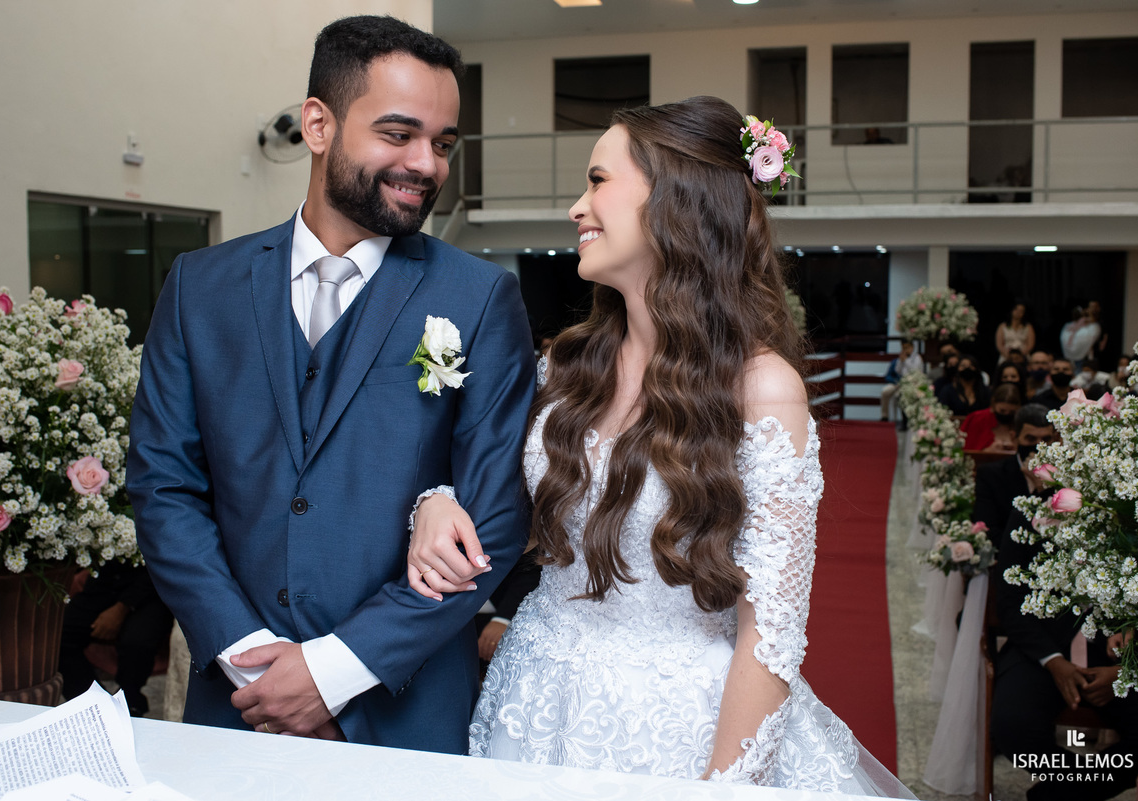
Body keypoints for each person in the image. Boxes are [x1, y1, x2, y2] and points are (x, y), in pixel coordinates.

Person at [406, 97, 913, 795]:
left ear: (675, 199)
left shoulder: (762, 389)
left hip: (683, 726)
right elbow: (505, 513)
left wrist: (722, 786)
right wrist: (437, 501)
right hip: (536, 705)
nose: (577, 207)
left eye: (598, 180)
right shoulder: (566, 366)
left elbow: (772, 636)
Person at [125, 15, 535, 752]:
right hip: (238, 705)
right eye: (399, 133)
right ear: (318, 123)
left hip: (403, 714)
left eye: (442, 143)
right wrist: (246, 652)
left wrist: (334, 669)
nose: (427, 164)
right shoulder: (200, 287)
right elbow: (164, 485)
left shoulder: (478, 297)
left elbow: (496, 517)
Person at [992, 504, 1138, 801]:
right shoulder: (1032, 510)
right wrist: (1054, 662)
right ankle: (1075, 789)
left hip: (1117, 656)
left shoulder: (1136, 511)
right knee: (1012, 724)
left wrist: (1126, 669)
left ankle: (1056, 794)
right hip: (1041, 650)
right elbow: (1011, 603)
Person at [58, 563, 175, 717]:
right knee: (59, 635)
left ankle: (129, 702)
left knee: (137, 642)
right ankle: (94, 704)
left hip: (152, 588)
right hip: (106, 578)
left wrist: (123, 607)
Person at [970, 403, 1054, 547]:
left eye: (1046, 440)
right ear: (1014, 437)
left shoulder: (1063, 477)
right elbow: (989, 532)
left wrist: (1043, 488)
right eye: (1031, 439)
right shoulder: (991, 475)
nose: (1039, 447)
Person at [959, 383, 1021, 452]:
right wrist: (988, 451)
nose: (1006, 415)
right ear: (994, 405)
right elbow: (967, 451)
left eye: (1011, 412)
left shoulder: (1020, 423)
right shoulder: (978, 419)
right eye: (1002, 411)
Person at [880, 340, 922, 422]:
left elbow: (914, 371)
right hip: (898, 383)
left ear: (912, 347)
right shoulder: (901, 358)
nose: (905, 350)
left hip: (912, 383)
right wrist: (901, 361)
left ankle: (905, 420)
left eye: (907, 348)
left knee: (901, 395)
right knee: (885, 391)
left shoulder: (917, 358)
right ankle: (884, 416)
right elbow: (897, 370)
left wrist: (906, 361)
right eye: (903, 348)